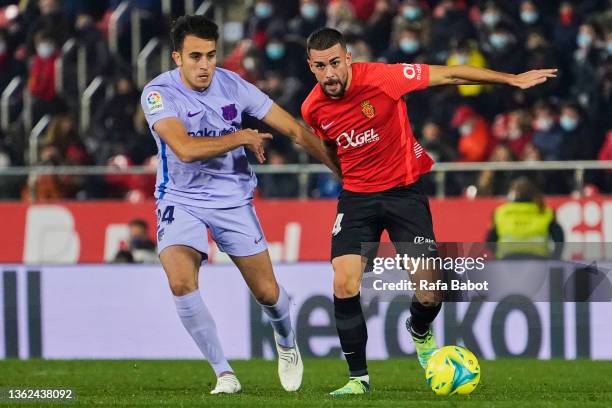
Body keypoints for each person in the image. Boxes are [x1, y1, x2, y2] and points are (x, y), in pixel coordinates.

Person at [300, 27, 556, 396]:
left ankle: (419, 330)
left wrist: (511, 79)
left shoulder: (384, 78)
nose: (330, 74)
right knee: (344, 281)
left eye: (336, 63)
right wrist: (345, 177)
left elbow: (450, 73)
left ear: (349, 58)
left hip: (405, 194)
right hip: (357, 198)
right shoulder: (312, 107)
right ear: (311, 66)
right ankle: (359, 379)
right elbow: (328, 145)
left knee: (429, 293)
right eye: (321, 66)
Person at [141, 16, 339, 395]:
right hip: (180, 198)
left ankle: (285, 338)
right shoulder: (158, 93)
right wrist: (239, 137)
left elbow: (295, 130)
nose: (204, 65)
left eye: (211, 56)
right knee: (181, 282)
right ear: (176, 57)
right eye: (195, 56)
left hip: (232, 199)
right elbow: (183, 149)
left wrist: (342, 170)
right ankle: (224, 374)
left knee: (267, 293)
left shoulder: (233, 86)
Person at [486, 177, 564, 259]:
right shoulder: (545, 212)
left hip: (508, 261)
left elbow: (490, 240)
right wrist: (555, 258)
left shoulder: (501, 212)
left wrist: (497, 257)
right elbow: (559, 238)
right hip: (539, 261)